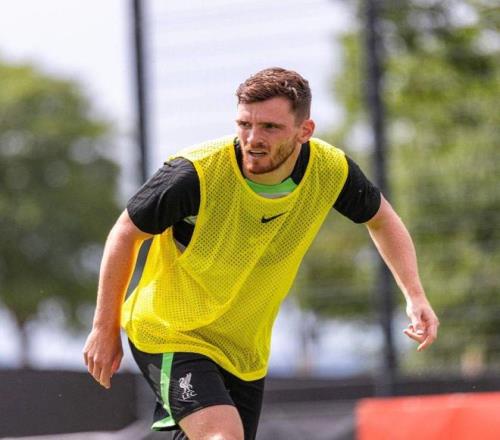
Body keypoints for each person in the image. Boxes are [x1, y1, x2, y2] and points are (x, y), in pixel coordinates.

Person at [83, 67, 439, 440]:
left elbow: (382, 220)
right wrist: (104, 328)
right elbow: (125, 233)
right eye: (244, 124)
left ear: (305, 130)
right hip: (170, 331)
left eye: (270, 127)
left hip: (244, 351)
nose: (253, 139)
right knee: (223, 437)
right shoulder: (194, 175)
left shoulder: (330, 171)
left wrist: (415, 296)